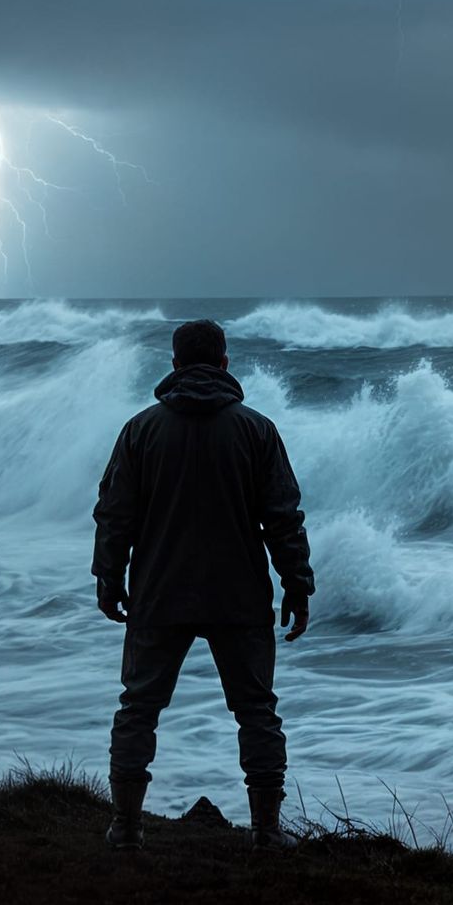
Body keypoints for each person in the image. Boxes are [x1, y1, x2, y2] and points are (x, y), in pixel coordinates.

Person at [92, 319, 315, 853]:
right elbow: (282, 517)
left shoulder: (140, 430)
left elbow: (115, 514)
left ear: (174, 365)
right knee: (256, 710)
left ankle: (126, 826)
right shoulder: (256, 430)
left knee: (139, 708)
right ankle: (266, 830)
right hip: (239, 595)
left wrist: (109, 576)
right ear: (224, 363)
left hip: (159, 591)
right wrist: (297, 583)